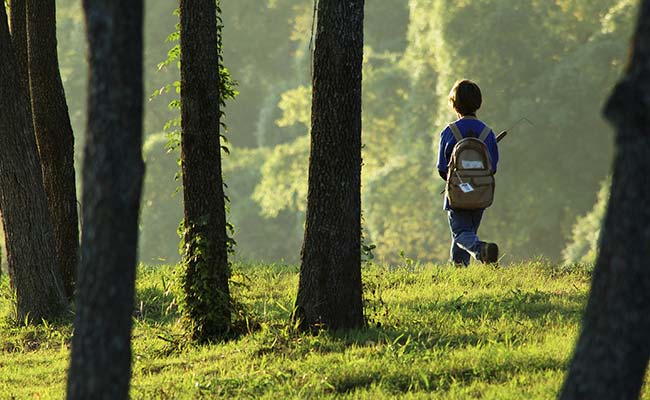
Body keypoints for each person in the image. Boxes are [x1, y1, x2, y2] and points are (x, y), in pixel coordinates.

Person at [437, 79, 499, 266]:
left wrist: (455, 182)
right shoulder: (487, 133)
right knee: (467, 232)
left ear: (454, 105)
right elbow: (493, 167)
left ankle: (482, 250)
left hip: (457, 193)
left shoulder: (449, 132)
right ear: (478, 103)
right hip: (481, 192)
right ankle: (458, 270)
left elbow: (441, 167)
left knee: (461, 233)